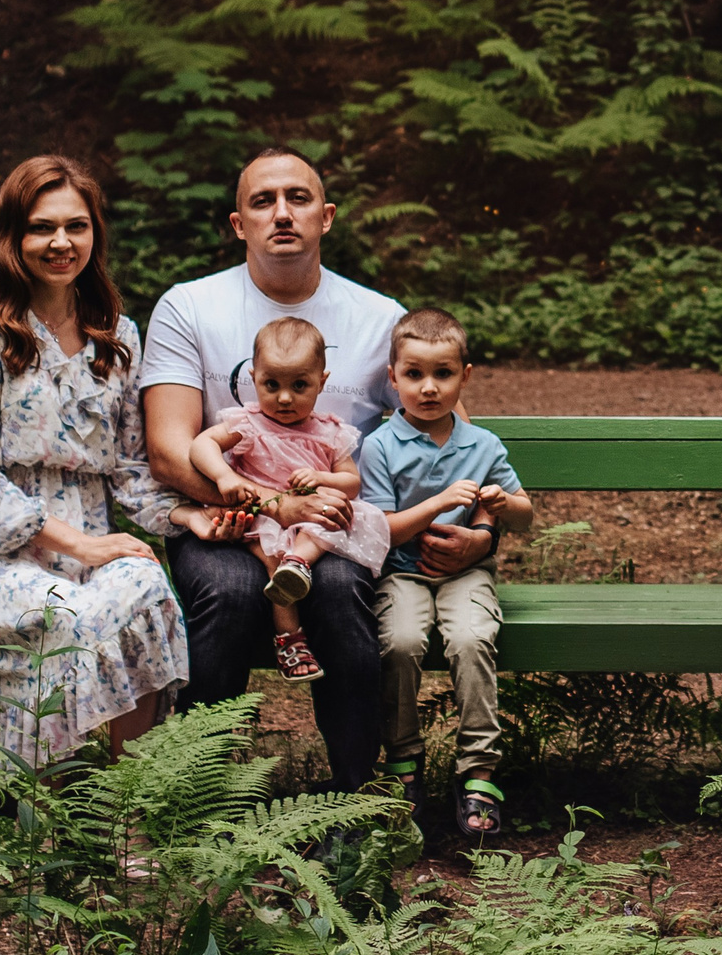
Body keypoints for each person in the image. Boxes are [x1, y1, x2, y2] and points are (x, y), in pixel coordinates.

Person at [144, 149, 490, 789]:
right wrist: (274, 507)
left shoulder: (379, 317)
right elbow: (169, 451)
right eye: (262, 201)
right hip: (228, 519)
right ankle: (195, 796)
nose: (282, 213)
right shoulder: (187, 308)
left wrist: (478, 533)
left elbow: (451, 440)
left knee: (337, 591)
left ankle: (356, 801)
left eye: (298, 198)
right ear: (237, 222)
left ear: (326, 217)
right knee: (228, 590)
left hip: (333, 524)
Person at [0, 156, 188, 765]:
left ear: (94, 233)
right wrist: (82, 547)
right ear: (13, 239)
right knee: (64, 615)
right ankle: (38, 821)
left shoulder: (119, 335)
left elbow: (130, 468)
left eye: (76, 225)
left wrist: (190, 518)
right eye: (41, 227)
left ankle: (131, 818)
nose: (60, 242)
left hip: (89, 541)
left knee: (148, 586)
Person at [358, 307, 533, 846]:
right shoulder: (379, 447)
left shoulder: (482, 446)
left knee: (472, 637)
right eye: (413, 374)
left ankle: (479, 770)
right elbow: (380, 529)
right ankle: (404, 759)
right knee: (401, 640)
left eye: (443, 374)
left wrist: (504, 505)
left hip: (467, 576)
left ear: (466, 376)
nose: (428, 388)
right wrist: (438, 503)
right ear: (393, 379)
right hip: (403, 575)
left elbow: (526, 513)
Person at [187, 317, 387, 682]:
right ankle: (289, 638)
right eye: (271, 384)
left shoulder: (330, 432)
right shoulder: (248, 424)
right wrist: (225, 475)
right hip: (265, 519)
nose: (283, 397)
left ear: (322, 382)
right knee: (272, 559)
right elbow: (202, 444)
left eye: (299, 385)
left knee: (343, 517)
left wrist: (323, 478)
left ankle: (300, 561)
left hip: (313, 525)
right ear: (253, 377)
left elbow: (351, 483)